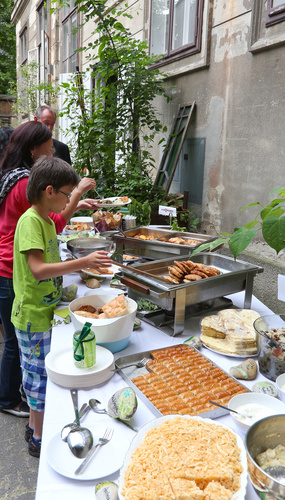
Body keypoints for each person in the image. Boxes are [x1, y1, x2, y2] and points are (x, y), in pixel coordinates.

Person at [11, 156, 111, 457]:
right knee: (39, 379)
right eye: (67, 194)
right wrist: (82, 262)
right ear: (50, 191)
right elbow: (39, 269)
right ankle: (39, 437)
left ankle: (33, 425)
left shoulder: (42, 220)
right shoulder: (30, 222)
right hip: (33, 318)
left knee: (36, 374)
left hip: (43, 314)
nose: (70, 200)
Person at [0, 121, 96, 418]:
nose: (52, 147)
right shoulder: (22, 186)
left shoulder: (21, 180)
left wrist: (73, 202)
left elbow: (50, 218)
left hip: (14, 271)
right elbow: (53, 223)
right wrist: (76, 194)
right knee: (18, 347)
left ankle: (23, 398)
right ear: (33, 149)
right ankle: (11, 400)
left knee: (19, 346)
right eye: (48, 143)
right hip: (11, 270)